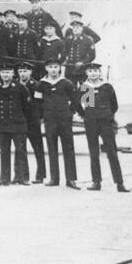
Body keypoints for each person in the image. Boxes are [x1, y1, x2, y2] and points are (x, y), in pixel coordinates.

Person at [77, 63, 127, 191]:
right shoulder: (85, 87)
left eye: (95, 71)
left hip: (106, 122)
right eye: (90, 71)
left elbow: (114, 105)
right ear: (86, 73)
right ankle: (96, 182)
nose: (93, 73)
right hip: (91, 123)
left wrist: (108, 116)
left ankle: (119, 183)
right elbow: (80, 105)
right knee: (94, 152)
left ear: (99, 73)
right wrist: (86, 116)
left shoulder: (107, 87)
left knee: (112, 152)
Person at [37, 60, 78, 189]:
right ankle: (54, 178)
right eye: (50, 67)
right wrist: (41, 116)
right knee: (51, 148)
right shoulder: (41, 84)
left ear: (60, 68)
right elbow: (37, 101)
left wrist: (69, 113)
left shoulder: (66, 83)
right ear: (46, 68)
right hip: (50, 120)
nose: (53, 70)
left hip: (64, 119)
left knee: (68, 148)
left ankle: (71, 179)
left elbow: (75, 100)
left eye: (56, 67)